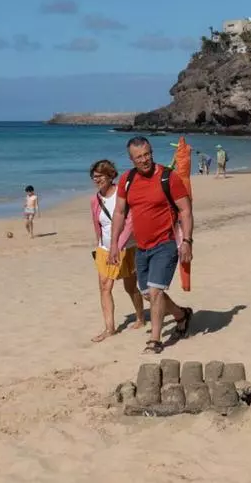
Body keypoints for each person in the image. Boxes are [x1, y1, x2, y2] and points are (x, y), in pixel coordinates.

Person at [106, 137, 194, 355]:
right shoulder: (127, 180)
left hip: (165, 244)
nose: (144, 160)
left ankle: (155, 340)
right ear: (131, 159)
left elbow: (185, 210)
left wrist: (187, 241)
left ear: (152, 152)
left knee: (155, 292)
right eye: (139, 157)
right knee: (147, 293)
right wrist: (114, 244)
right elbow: (119, 212)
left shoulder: (168, 177)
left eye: (147, 154)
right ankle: (181, 314)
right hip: (141, 247)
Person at [89, 160, 146, 342]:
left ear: (110, 175)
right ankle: (109, 328)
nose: (97, 180)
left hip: (126, 248)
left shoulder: (122, 195)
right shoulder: (95, 200)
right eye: (94, 177)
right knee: (105, 287)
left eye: (100, 176)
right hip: (104, 249)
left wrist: (118, 246)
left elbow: (130, 222)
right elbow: (97, 225)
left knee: (130, 287)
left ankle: (140, 317)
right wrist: (100, 245)